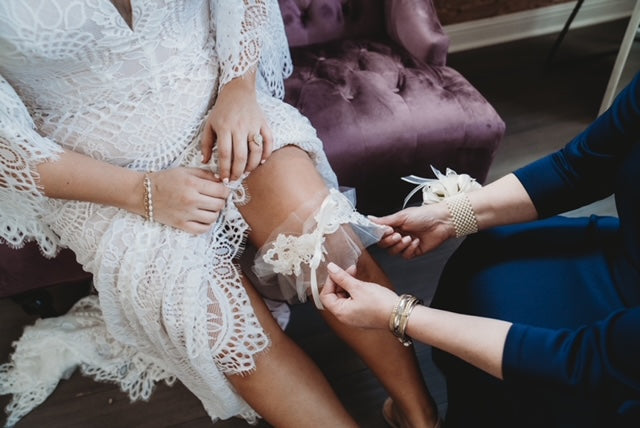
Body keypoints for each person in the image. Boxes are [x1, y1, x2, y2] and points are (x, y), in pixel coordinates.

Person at [0, 1, 440, 427]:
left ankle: (419, 416)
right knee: (226, 334)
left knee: (331, 250)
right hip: (105, 177)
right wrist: (143, 192)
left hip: (219, 113)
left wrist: (238, 89)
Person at [320, 72, 640, 427]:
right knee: (492, 247)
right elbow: (577, 166)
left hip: (613, 354)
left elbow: (582, 361)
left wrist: (398, 315)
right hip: (624, 256)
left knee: (545, 379)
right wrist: (450, 217)